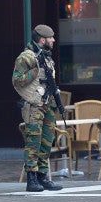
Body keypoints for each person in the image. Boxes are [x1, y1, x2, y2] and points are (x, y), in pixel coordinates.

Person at [12, 24, 63, 192]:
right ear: (42, 40)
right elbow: (17, 80)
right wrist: (36, 70)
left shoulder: (47, 57)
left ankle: (42, 176)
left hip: (47, 105)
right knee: (33, 142)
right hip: (34, 106)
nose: (53, 40)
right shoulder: (27, 57)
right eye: (51, 38)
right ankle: (31, 179)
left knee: (47, 141)